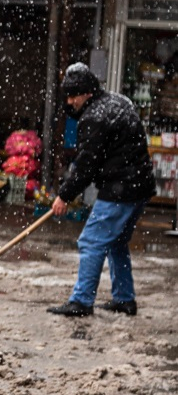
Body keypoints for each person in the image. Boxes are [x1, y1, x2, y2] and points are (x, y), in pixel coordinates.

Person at [47, 62, 156, 317]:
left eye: (74, 95)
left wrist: (64, 195)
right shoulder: (118, 101)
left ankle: (82, 301)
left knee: (92, 241)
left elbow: (86, 164)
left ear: (87, 92)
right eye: (68, 95)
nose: (71, 101)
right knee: (117, 242)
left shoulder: (95, 116)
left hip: (121, 188)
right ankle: (124, 299)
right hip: (139, 186)